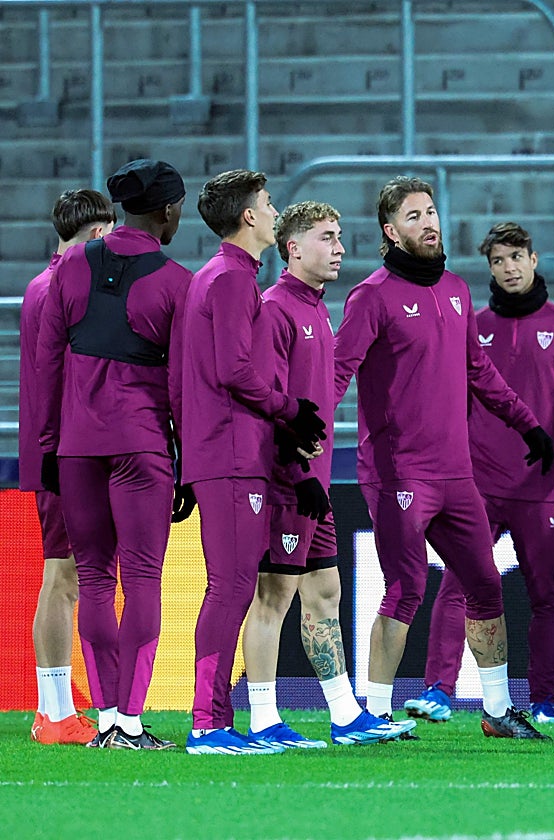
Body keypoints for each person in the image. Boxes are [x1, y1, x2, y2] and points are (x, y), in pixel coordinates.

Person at [334, 177, 554, 740]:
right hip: (398, 472)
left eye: (431, 212)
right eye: (413, 217)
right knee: (405, 587)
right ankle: (375, 714)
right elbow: (337, 369)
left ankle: (499, 711)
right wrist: (306, 429)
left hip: (458, 475)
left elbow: (479, 373)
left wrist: (528, 424)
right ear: (390, 231)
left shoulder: (457, 289)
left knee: (484, 584)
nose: (428, 223)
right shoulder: (371, 296)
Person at [404, 222, 554, 726]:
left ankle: (543, 701)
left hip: (543, 490)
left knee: (545, 595)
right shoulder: (474, 323)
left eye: (516, 257)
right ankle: (439, 690)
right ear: (489, 268)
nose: (509, 268)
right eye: (498, 261)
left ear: (534, 259)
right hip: (476, 484)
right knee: (457, 584)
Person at [239, 201, 413, 748]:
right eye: (327, 237)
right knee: (273, 595)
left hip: (311, 477)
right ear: (293, 248)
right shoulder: (274, 310)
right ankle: (263, 719)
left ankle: (344, 714)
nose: (340, 248)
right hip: (284, 480)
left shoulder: (316, 308)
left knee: (326, 590)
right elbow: (267, 404)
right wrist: (295, 471)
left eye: (340, 237)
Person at [35, 160, 192, 749]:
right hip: (142, 445)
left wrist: (49, 446)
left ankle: (103, 720)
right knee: (143, 578)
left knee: (95, 578)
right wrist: (189, 466)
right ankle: (129, 718)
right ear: (169, 210)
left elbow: (48, 361)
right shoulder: (177, 281)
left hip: (77, 446)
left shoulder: (70, 265)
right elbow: (181, 385)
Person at [181, 170, 327, 755]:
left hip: (219, 449)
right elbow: (235, 372)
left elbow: (185, 376)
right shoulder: (234, 281)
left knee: (233, 585)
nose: (273, 211)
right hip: (234, 453)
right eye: (268, 204)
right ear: (249, 217)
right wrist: (291, 410)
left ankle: (215, 719)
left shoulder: (212, 277)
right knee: (232, 586)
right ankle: (208, 723)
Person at [21, 189, 115, 746]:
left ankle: (56, 709)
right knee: (63, 578)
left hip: (57, 450)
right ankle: (53, 712)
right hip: (66, 455)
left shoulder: (42, 286)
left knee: (69, 578)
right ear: (101, 234)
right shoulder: (64, 288)